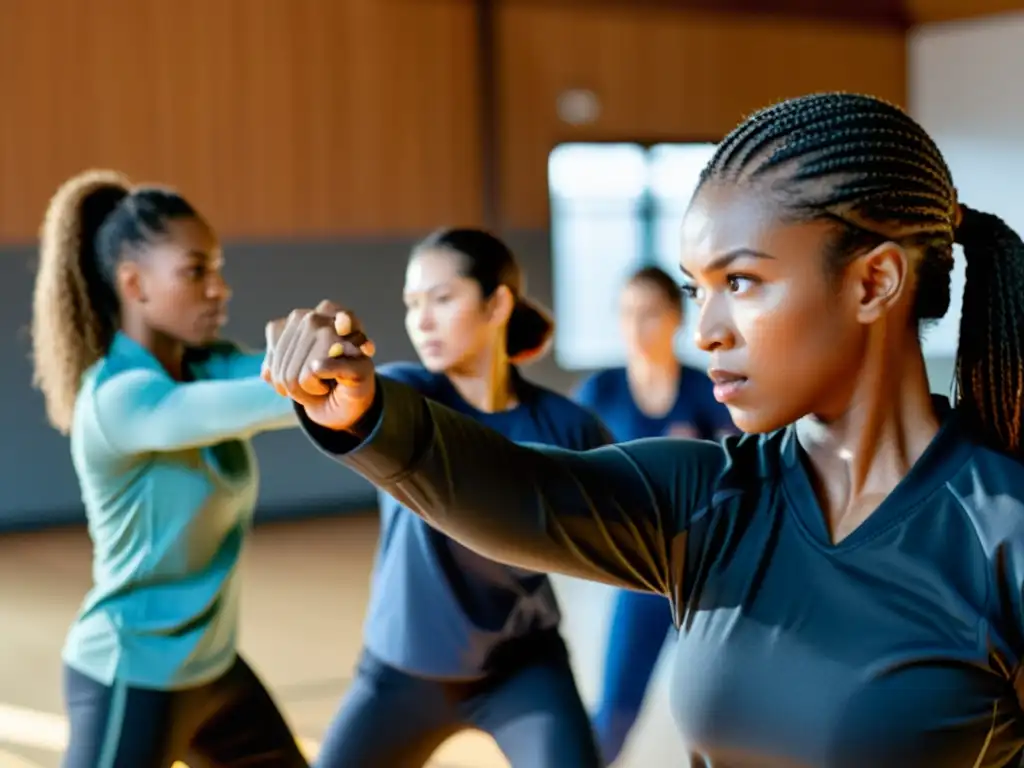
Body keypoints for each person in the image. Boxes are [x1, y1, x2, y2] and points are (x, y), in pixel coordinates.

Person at [263, 92, 1024, 767]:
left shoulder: (1003, 534)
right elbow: (522, 489)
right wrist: (366, 412)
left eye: (742, 283)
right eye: (698, 289)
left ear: (873, 282)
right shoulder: (714, 498)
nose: (707, 330)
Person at [30, 170, 308, 767]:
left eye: (219, 268)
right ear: (134, 284)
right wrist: (323, 367)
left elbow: (281, 380)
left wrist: (332, 350)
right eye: (196, 271)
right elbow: (282, 394)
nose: (219, 289)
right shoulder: (116, 398)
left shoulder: (210, 366)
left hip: (213, 670)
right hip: (130, 674)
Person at [312, 227, 608, 768]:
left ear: (497, 304)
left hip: (524, 670)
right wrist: (320, 378)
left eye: (442, 299)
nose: (421, 319)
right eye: (412, 303)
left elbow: (633, 526)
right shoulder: (408, 395)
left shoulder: (566, 425)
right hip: (400, 673)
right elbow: (359, 405)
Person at [575, 265, 735, 764]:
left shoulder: (706, 389)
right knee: (614, 715)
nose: (636, 327)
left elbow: (742, 476)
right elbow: (564, 476)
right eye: (626, 314)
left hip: (707, 583)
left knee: (717, 722)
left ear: (675, 319)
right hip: (640, 578)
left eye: (649, 314)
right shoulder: (600, 393)